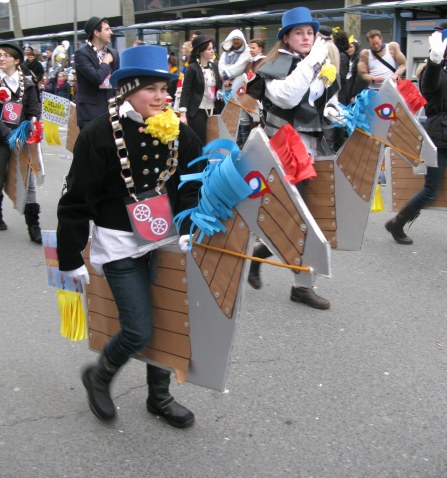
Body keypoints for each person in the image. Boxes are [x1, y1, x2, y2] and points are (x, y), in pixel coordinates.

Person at [56, 44, 203, 427]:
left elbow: (191, 183)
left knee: (171, 320)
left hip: (167, 240)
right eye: (151, 89)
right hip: (120, 243)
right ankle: (99, 376)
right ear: (126, 91)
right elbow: (77, 200)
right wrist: (70, 257)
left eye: (164, 88)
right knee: (138, 328)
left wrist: (188, 227)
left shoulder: (179, 133)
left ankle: (160, 396)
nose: (162, 96)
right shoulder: (98, 135)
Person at [246, 6, 340, 309]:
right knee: (298, 221)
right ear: (285, 38)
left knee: (305, 220)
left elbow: (325, 102)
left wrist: (337, 112)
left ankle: (266, 259)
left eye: (310, 33)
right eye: (299, 32)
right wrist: (313, 62)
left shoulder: (315, 65)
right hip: (282, 152)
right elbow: (286, 96)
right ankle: (300, 283)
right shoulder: (276, 64)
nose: (306, 37)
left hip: (314, 150)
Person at [385, 29, 447, 245]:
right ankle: (397, 223)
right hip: (440, 137)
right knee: (431, 190)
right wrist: (435, 60)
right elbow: (429, 86)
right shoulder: (435, 72)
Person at [0, 42, 42, 242]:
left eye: (6, 55)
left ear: (16, 60)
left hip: (23, 138)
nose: (1, 58)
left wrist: (33, 126)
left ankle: (33, 225)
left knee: (28, 182)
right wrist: (8, 134)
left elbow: (34, 109)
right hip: (2, 139)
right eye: (0, 55)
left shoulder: (28, 83)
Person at [74, 16, 119, 129]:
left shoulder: (113, 53)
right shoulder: (81, 54)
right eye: (107, 29)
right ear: (96, 32)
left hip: (111, 111)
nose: (111, 32)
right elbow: (97, 78)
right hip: (90, 113)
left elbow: (117, 80)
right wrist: (105, 62)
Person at [179, 35, 222, 146]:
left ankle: (208, 163)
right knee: (200, 143)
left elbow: (217, 86)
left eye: (213, 48)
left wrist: (220, 91)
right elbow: (185, 92)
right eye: (209, 49)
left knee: (213, 142)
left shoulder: (215, 66)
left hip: (213, 110)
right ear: (201, 51)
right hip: (197, 111)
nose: (213, 51)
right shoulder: (192, 68)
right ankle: (200, 163)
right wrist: (182, 114)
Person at [218, 29, 252, 145]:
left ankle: (244, 140)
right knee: (230, 112)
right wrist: (225, 77)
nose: (236, 42)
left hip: (240, 83)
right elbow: (221, 65)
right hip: (227, 86)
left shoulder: (246, 52)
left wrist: (227, 74)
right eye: (234, 40)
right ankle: (235, 138)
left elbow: (240, 66)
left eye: (238, 39)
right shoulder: (225, 53)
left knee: (242, 112)